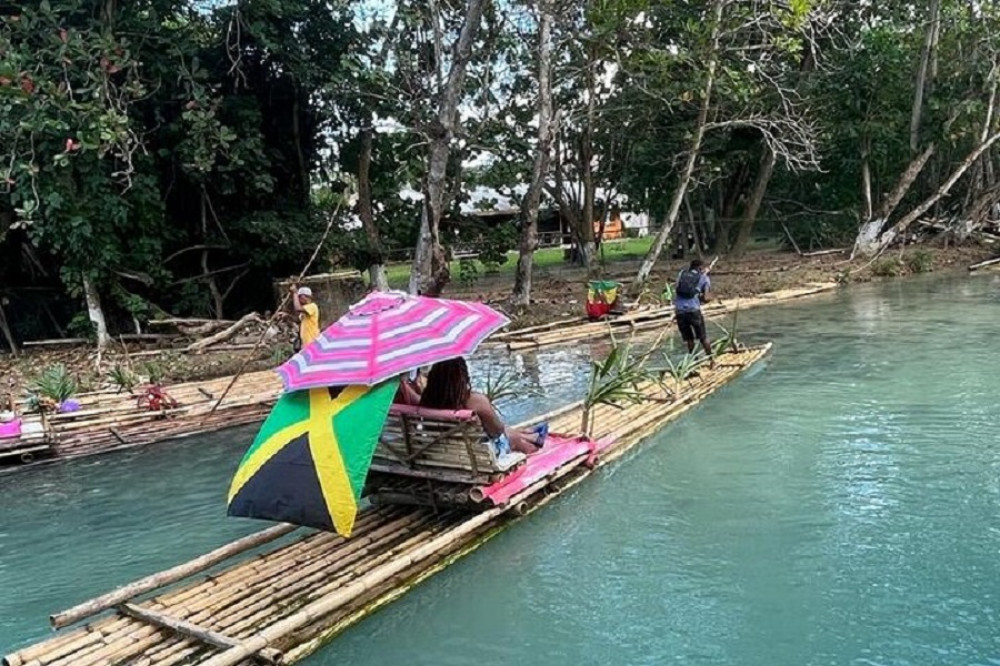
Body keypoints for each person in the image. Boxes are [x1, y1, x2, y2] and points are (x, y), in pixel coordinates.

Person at [419, 358, 545, 456]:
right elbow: (497, 431)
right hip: (475, 455)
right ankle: (537, 448)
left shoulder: (426, 399)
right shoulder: (474, 400)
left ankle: (529, 435)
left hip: (440, 451)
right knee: (512, 438)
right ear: (463, 376)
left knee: (509, 433)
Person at [673, 259, 714, 366]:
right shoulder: (704, 278)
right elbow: (706, 298)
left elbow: (677, 288)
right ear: (700, 268)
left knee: (689, 339)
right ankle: (711, 361)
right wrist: (706, 297)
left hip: (680, 311)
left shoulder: (681, 274)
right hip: (693, 310)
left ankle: (694, 362)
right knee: (703, 337)